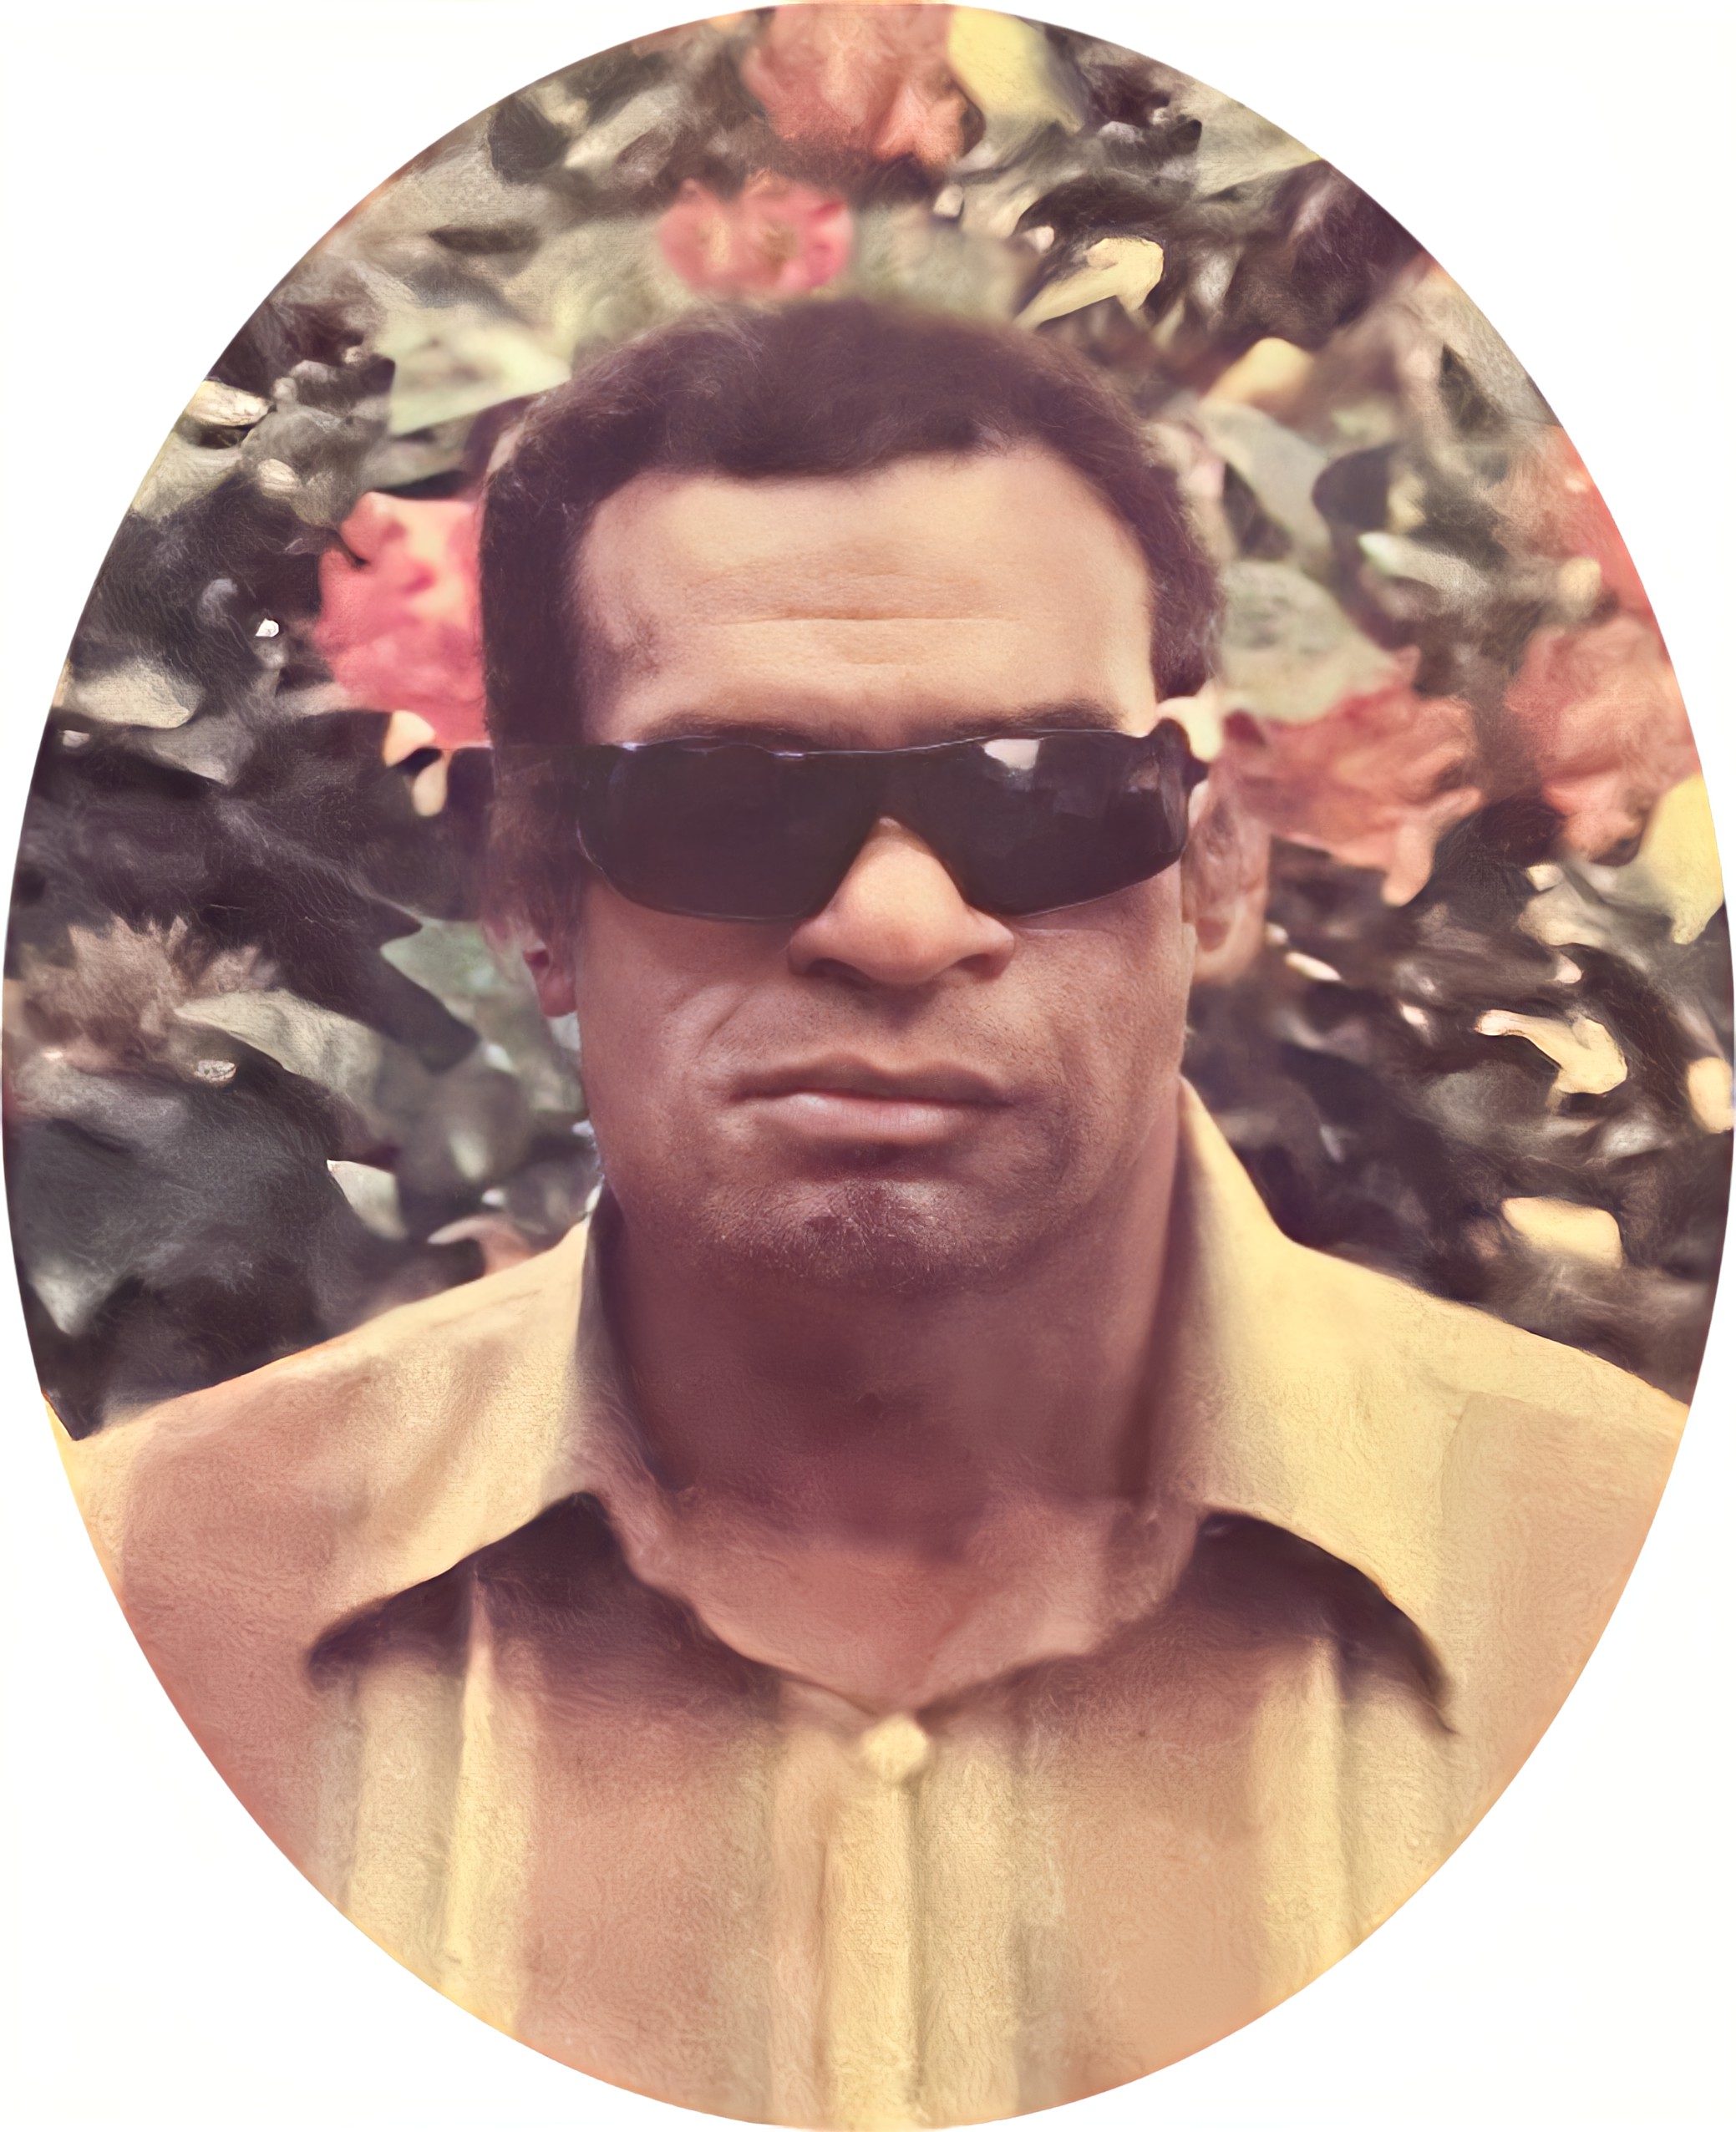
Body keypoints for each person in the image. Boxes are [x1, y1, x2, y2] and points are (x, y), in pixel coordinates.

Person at [62, 301, 1683, 2129]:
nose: (898, 926)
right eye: (729, 805)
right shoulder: (127, 1631)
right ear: (530, 894)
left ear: (1210, 861)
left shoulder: (1633, 1605)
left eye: (1034, 793)